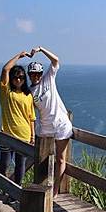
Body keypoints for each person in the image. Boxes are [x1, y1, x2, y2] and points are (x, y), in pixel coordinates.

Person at [0, 51, 36, 203]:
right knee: (4, 164)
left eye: (21, 77)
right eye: (16, 77)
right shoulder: (6, 92)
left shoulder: (28, 95)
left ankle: (14, 194)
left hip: (24, 134)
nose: (18, 79)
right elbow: (5, 69)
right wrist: (19, 56)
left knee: (20, 166)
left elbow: (31, 117)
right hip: (7, 135)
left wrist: (33, 136)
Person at [27, 46, 73, 197]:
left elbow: (56, 60)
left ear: (41, 73)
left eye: (38, 73)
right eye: (32, 74)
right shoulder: (29, 92)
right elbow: (28, 113)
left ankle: (55, 190)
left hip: (61, 124)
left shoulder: (48, 78)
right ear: (29, 75)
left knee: (60, 159)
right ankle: (40, 188)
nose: (36, 76)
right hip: (45, 128)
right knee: (41, 159)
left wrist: (41, 49)